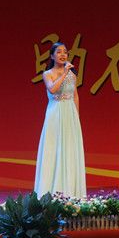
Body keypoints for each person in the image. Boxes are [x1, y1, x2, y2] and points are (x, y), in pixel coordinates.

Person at [34, 42, 86, 198]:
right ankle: (50, 190)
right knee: (54, 148)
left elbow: (75, 95)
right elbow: (52, 89)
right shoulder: (47, 73)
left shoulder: (72, 75)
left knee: (69, 148)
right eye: (59, 52)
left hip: (70, 113)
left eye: (65, 52)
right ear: (52, 56)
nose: (63, 55)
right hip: (55, 114)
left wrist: (76, 116)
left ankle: (70, 189)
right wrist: (64, 73)